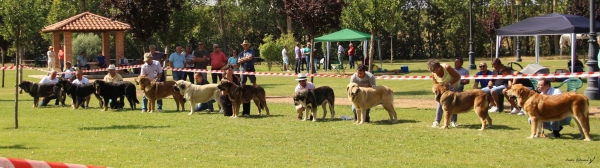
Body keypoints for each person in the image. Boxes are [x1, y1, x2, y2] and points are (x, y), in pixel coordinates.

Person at [427, 59, 461, 128]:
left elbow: (458, 77)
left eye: (434, 71)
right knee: (440, 103)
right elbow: (436, 84)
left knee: (453, 103)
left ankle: (453, 121)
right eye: (432, 71)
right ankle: (437, 121)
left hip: (454, 86)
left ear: (439, 67)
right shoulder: (433, 74)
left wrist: (448, 85)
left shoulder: (447, 67)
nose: (434, 73)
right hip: (443, 89)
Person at [235, 40, 256, 117]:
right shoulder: (241, 53)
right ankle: (243, 93)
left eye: (246, 44)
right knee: (243, 83)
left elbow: (250, 58)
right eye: (244, 45)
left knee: (253, 82)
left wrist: (244, 59)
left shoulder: (251, 51)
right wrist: (245, 59)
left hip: (251, 69)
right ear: (243, 46)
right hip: (243, 69)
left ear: (248, 45)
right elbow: (239, 61)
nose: (245, 45)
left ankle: (255, 93)